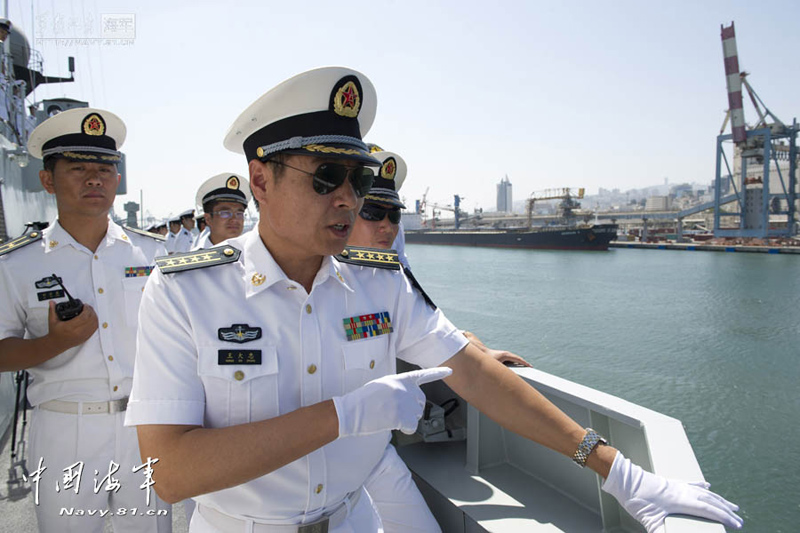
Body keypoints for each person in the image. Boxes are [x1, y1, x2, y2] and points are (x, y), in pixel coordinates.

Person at [125, 67, 742, 533]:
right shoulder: (185, 292)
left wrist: (615, 468)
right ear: (262, 179)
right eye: (325, 177)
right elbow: (171, 474)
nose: (348, 198)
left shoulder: (379, 282)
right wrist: (342, 416)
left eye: (359, 179)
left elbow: (472, 372)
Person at [0, 108, 171, 532]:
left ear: (117, 179)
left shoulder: (154, 255)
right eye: (77, 168)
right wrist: (54, 342)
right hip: (63, 430)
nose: (94, 178)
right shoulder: (16, 264)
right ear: (47, 179)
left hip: (144, 429)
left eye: (105, 169)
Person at [350, 149, 531, 367]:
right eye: (372, 213)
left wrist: (462, 338)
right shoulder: (315, 280)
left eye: (394, 215)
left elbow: (421, 327)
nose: (386, 225)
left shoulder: (391, 284)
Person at [191, 173, 251, 250]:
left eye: (239, 214)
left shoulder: (252, 255)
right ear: (208, 219)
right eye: (225, 213)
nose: (234, 219)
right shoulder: (195, 258)